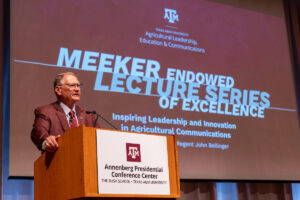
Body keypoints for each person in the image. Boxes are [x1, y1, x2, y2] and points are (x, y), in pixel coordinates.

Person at [31, 72, 98, 152]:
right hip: (59, 162)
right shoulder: (46, 112)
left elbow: (101, 139)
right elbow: (38, 132)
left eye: (78, 85)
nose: (77, 89)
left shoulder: (88, 116)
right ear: (58, 90)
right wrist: (46, 141)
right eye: (72, 85)